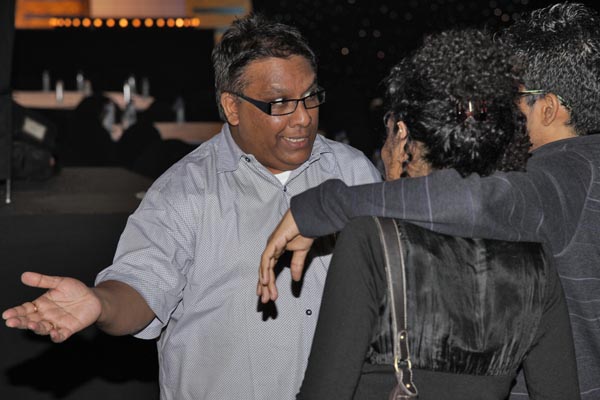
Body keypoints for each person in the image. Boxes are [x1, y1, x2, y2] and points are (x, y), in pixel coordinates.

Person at [2, 14, 381, 400]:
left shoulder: (351, 172)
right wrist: (100, 303)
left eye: (311, 97)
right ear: (232, 107)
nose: (303, 118)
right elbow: (141, 285)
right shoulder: (184, 191)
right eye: (280, 103)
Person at [259, 3, 600, 398]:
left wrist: (325, 207)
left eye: (514, 97)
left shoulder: (564, 174)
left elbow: (474, 202)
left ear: (549, 109)